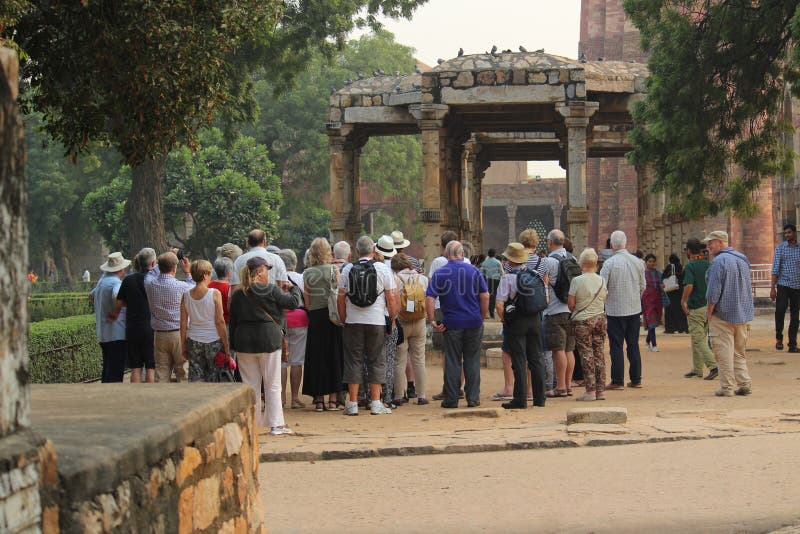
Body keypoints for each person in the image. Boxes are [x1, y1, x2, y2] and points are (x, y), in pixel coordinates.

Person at [229, 256, 302, 434]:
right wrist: (293, 288)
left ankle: (251, 424)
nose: (268, 273)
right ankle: (276, 424)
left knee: (250, 385)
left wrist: (232, 345)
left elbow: (233, 320)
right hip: (269, 339)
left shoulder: (239, 293)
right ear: (260, 272)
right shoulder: (270, 290)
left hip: (244, 342)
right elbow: (293, 303)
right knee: (273, 384)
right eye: (266, 270)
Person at [337, 236, 398, 416]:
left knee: (353, 360)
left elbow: (340, 297)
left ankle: (353, 403)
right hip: (376, 321)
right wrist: (392, 319)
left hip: (353, 321)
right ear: (373, 250)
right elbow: (391, 297)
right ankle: (376, 403)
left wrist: (344, 318)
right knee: (376, 360)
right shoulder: (382, 269)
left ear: (356, 252)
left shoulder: (348, 269)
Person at [425, 240, 489, 408]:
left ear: (446, 254)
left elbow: (430, 297)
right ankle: (473, 397)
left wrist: (432, 319)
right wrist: (482, 316)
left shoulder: (440, 272)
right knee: (472, 360)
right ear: (462, 254)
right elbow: (485, 296)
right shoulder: (474, 271)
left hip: (451, 322)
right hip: (473, 321)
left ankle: (452, 398)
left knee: (453, 360)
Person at [495, 242, 546, 409]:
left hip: (516, 322)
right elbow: (545, 300)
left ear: (510, 260)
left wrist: (505, 320)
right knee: (536, 358)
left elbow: (499, 305)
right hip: (535, 319)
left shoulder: (508, 277)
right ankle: (540, 398)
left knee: (519, 360)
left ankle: (520, 399)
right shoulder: (536, 274)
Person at [704, 231, 755, 397]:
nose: (708, 246)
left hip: (723, 314)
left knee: (723, 352)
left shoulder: (719, 261)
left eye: (710, 243)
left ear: (720, 242)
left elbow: (713, 292)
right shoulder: (742, 259)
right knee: (739, 352)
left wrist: (709, 313)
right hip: (742, 313)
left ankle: (727, 387)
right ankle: (744, 383)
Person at [600, 230, 646, 390]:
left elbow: (602, 288)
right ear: (625, 243)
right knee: (633, 344)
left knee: (616, 346)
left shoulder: (609, 263)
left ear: (612, 245)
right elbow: (643, 286)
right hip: (634, 309)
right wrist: (633, 296)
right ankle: (636, 379)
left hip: (615, 310)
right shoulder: (638, 262)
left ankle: (618, 380)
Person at [302, 237, 344, 411]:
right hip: (333, 316)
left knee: (317, 357)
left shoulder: (307, 273)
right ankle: (333, 400)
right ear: (329, 252)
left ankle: (319, 400)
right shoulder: (335, 269)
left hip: (316, 317)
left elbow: (307, 300)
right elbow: (339, 295)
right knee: (333, 355)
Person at [144, 251, 195, 382]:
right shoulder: (182, 286)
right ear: (175, 268)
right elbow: (195, 287)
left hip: (159, 335)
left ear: (158, 266)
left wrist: (166, 257)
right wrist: (188, 272)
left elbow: (150, 273)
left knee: (161, 372)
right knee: (183, 372)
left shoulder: (150, 284)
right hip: (179, 334)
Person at [568, 248, 608, 401]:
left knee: (586, 354)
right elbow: (604, 298)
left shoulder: (577, 280)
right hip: (600, 319)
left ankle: (590, 390)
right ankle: (600, 390)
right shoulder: (601, 279)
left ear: (582, 263)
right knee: (599, 353)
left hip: (583, 320)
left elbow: (571, 304)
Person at [180, 259, 230, 382]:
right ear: (205, 275)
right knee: (214, 376)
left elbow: (183, 323)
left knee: (195, 376)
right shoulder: (214, 293)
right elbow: (220, 321)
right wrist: (226, 345)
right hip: (213, 341)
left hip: (193, 340)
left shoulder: (186, 295)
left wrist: (183, 345)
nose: (211, 276)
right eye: (209, 273)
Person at [113, 247, 157, 383]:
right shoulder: (155, 280)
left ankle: (134, 396)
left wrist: (132, 303)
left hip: (132, 327)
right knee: (150, 365)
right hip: (150, 326)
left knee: (135, 367)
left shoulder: (128, 280)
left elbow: (119, 302)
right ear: (153, 263)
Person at [542, 229, 577, 396]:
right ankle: (569, 385)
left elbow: (543, 283)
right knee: (569, 349)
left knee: (558, 349)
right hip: (571, 309)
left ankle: (561, 386)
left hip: (554, 310)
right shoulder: (573, 258)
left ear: (550, 242)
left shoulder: (548, 262)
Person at [392, 253, 429, 405]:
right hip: (419, 321)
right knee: (419, 360)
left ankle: (399, 396)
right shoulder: (423, 279)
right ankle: (421, 395)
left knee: (399, 361)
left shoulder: (395, 279)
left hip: (402, 322)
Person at [681, 238, 718, 380]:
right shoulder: (707, 264)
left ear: (688, 251)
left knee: (698, 339)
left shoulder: (691, 265)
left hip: (695, 306)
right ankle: (697, 369)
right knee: (698, 337)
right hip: (707, 305)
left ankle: (713, 366)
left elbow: (689, 285)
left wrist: (683, 300)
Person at [90, 252, 130, 382]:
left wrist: (103, 305)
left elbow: (91, 296)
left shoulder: (102, 281)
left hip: (103, 333)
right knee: (115, 372)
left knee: (107, 369)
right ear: (121, 269)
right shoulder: (115, 282)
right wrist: (116, 310)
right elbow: (116, 297)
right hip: (116, 333)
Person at [279, 248, 308, 409]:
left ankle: (282, 397)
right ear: (295, 263)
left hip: (281, 320)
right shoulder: (301, 278)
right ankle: (295, 398)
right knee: (296, 361)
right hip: (300, 320)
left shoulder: (277, 278)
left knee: (282, 362)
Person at [771, 224, 800, 352]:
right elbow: (775, 268)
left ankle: (792, 344)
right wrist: (772, 288)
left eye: (789, 232)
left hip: (797, 287)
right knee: (780, 311)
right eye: (785, 233)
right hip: (783, 285)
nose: (787, 235)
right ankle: (779, 338)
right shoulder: (780, 248)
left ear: (794, 233)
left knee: (795, 316)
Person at [642, 253, 664, 352]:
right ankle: (654, 345)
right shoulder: (643, 274)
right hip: (647, 301)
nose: (651, 263)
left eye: (653, 261)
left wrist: (662, 286)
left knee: (654, 323)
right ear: (646, 262)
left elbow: (662, 284)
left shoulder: (658, 273)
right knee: (651, 322)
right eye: (649, 261)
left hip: (657, 300)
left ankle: (647, 342)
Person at [663, 253, 689, 334]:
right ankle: (682, 327)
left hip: (671, 291)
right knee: (680, 309)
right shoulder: (681, 267)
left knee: (670, 310)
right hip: (679, 291)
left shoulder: (669, 267)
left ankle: (670, 328)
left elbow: (663, 276)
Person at [480, 249, 503, 319]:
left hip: (488, 280)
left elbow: (482, 272)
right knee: (494, 295)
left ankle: (488, 310)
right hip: (496, 280)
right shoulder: (498, 262)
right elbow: (501, 272)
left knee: (488, 294)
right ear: (494, 254)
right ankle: (492, 312)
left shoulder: (485, 263)